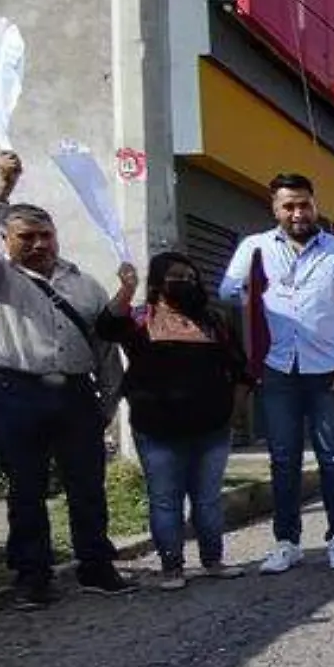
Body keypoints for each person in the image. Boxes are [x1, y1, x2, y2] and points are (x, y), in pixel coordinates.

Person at [0, 150, 131, 608]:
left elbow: (105, 349)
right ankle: (32, 576)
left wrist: (107, 404)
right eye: (26, 237)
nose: (38, 245)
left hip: (76, 394)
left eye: (46, 235)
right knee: (27, 490)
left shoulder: (83, 283)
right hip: (17, 392)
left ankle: (96, 565)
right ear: (6, 239)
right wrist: (2, 188)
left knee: (87, 487)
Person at [219, 173, 334, 575]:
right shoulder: (254, 249)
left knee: (333, 457)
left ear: (314, 204)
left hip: (329, 370)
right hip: (276, 369)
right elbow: (226, 292)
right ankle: (287, 542)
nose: (297, 213)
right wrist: (251, 291)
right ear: (275, 208)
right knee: (283, 459)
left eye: (304, 204)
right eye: (288, 206)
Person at [96, 252, 250, 589]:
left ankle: (213, 561)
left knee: (207, 500)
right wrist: (126, 289)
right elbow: (105, 328)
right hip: (157, 429)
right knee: (166, 500)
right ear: (158, 282)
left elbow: (241, 369)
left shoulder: (214, 322)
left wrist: (234, 412)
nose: (185, 283)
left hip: (211, 428)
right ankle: (172, 567)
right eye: (176, 277)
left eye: (191, 276)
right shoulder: (139, 320)